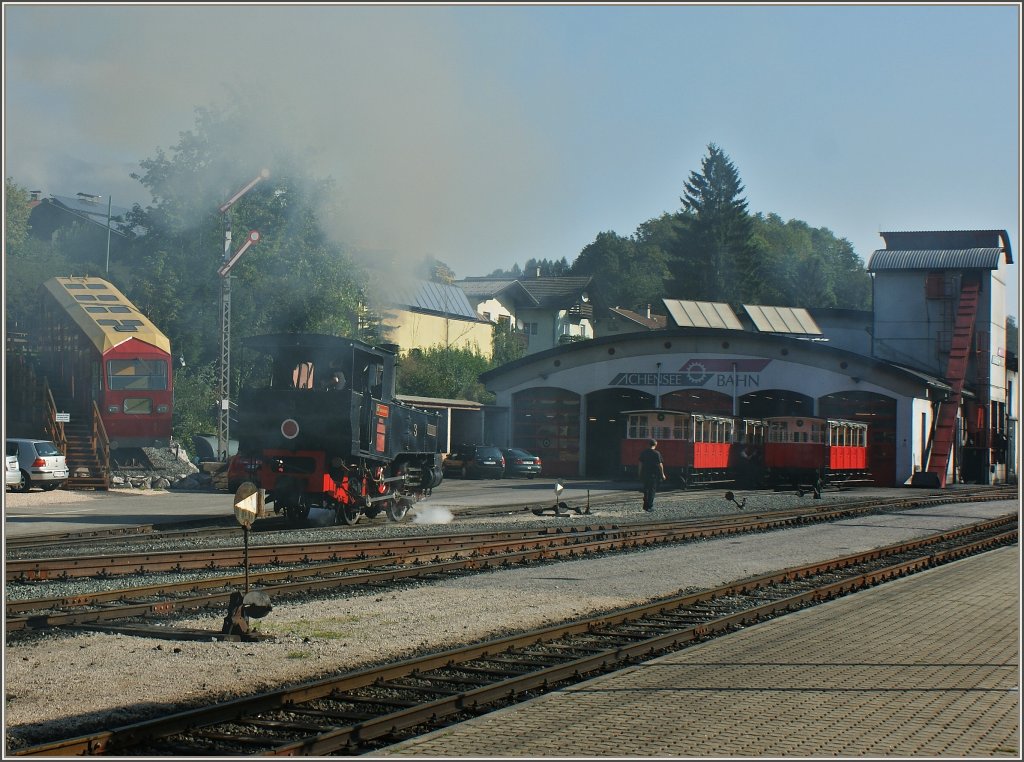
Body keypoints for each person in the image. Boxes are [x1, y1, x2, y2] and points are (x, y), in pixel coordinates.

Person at [637, 438, 666, 512]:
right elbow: (660, 465)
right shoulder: (657, 453)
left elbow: (640, 464)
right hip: (653, 475)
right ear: (656, 445)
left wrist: (639, 472)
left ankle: (645, 506)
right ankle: (649, 506)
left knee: (646, 490)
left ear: (648, 444)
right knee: (652, 491)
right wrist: (662, 474)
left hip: (645, 474)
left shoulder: (644, 452)